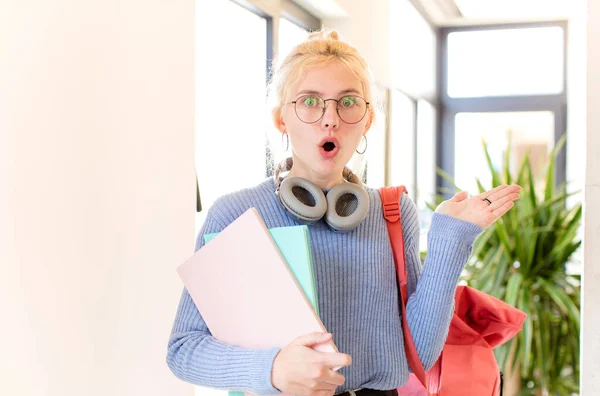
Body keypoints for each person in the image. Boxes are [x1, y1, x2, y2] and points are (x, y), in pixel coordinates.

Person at [166, 29, 521, 396]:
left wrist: (450, 239)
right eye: (309, 101)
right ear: (280, 120)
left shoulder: (393, 212)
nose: (330, 118)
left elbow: (420, 353)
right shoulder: (236, 214)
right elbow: (184, 350)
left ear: (367, 120)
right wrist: (271, 368)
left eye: (348, 102)